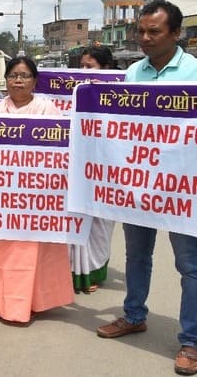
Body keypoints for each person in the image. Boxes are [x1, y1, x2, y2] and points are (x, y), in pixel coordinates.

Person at [96, 0, 197, 376]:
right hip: (139, 183)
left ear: (176, 34)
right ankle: (134, 315)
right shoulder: (133, 72)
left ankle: (192, 340)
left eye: (154, 32)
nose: (144, 38)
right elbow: (123, 126)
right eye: (141, 32)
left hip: (180, 187)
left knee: (189, 263)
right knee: (137, 256)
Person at [0, 56, 75, 323]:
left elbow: (63, 150)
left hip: (36, 199)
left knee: (33, 254)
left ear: (34, 81)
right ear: (5, 80)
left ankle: (34, 302)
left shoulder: (49, 110)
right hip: (2, 200)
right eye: (13, 76)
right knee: (0, 254)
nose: (18, 81)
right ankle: (1, 303)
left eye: (24, 76)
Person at [69, 46, 117, 294]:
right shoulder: (75, 91)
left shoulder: (123, 92)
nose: (84, 72)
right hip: (76, 166)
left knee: (99, 223)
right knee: (75, 217)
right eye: (82, 66)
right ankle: (71, 272)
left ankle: (94, 271)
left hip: (106, 169)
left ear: (107, 69)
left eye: (90, 67)